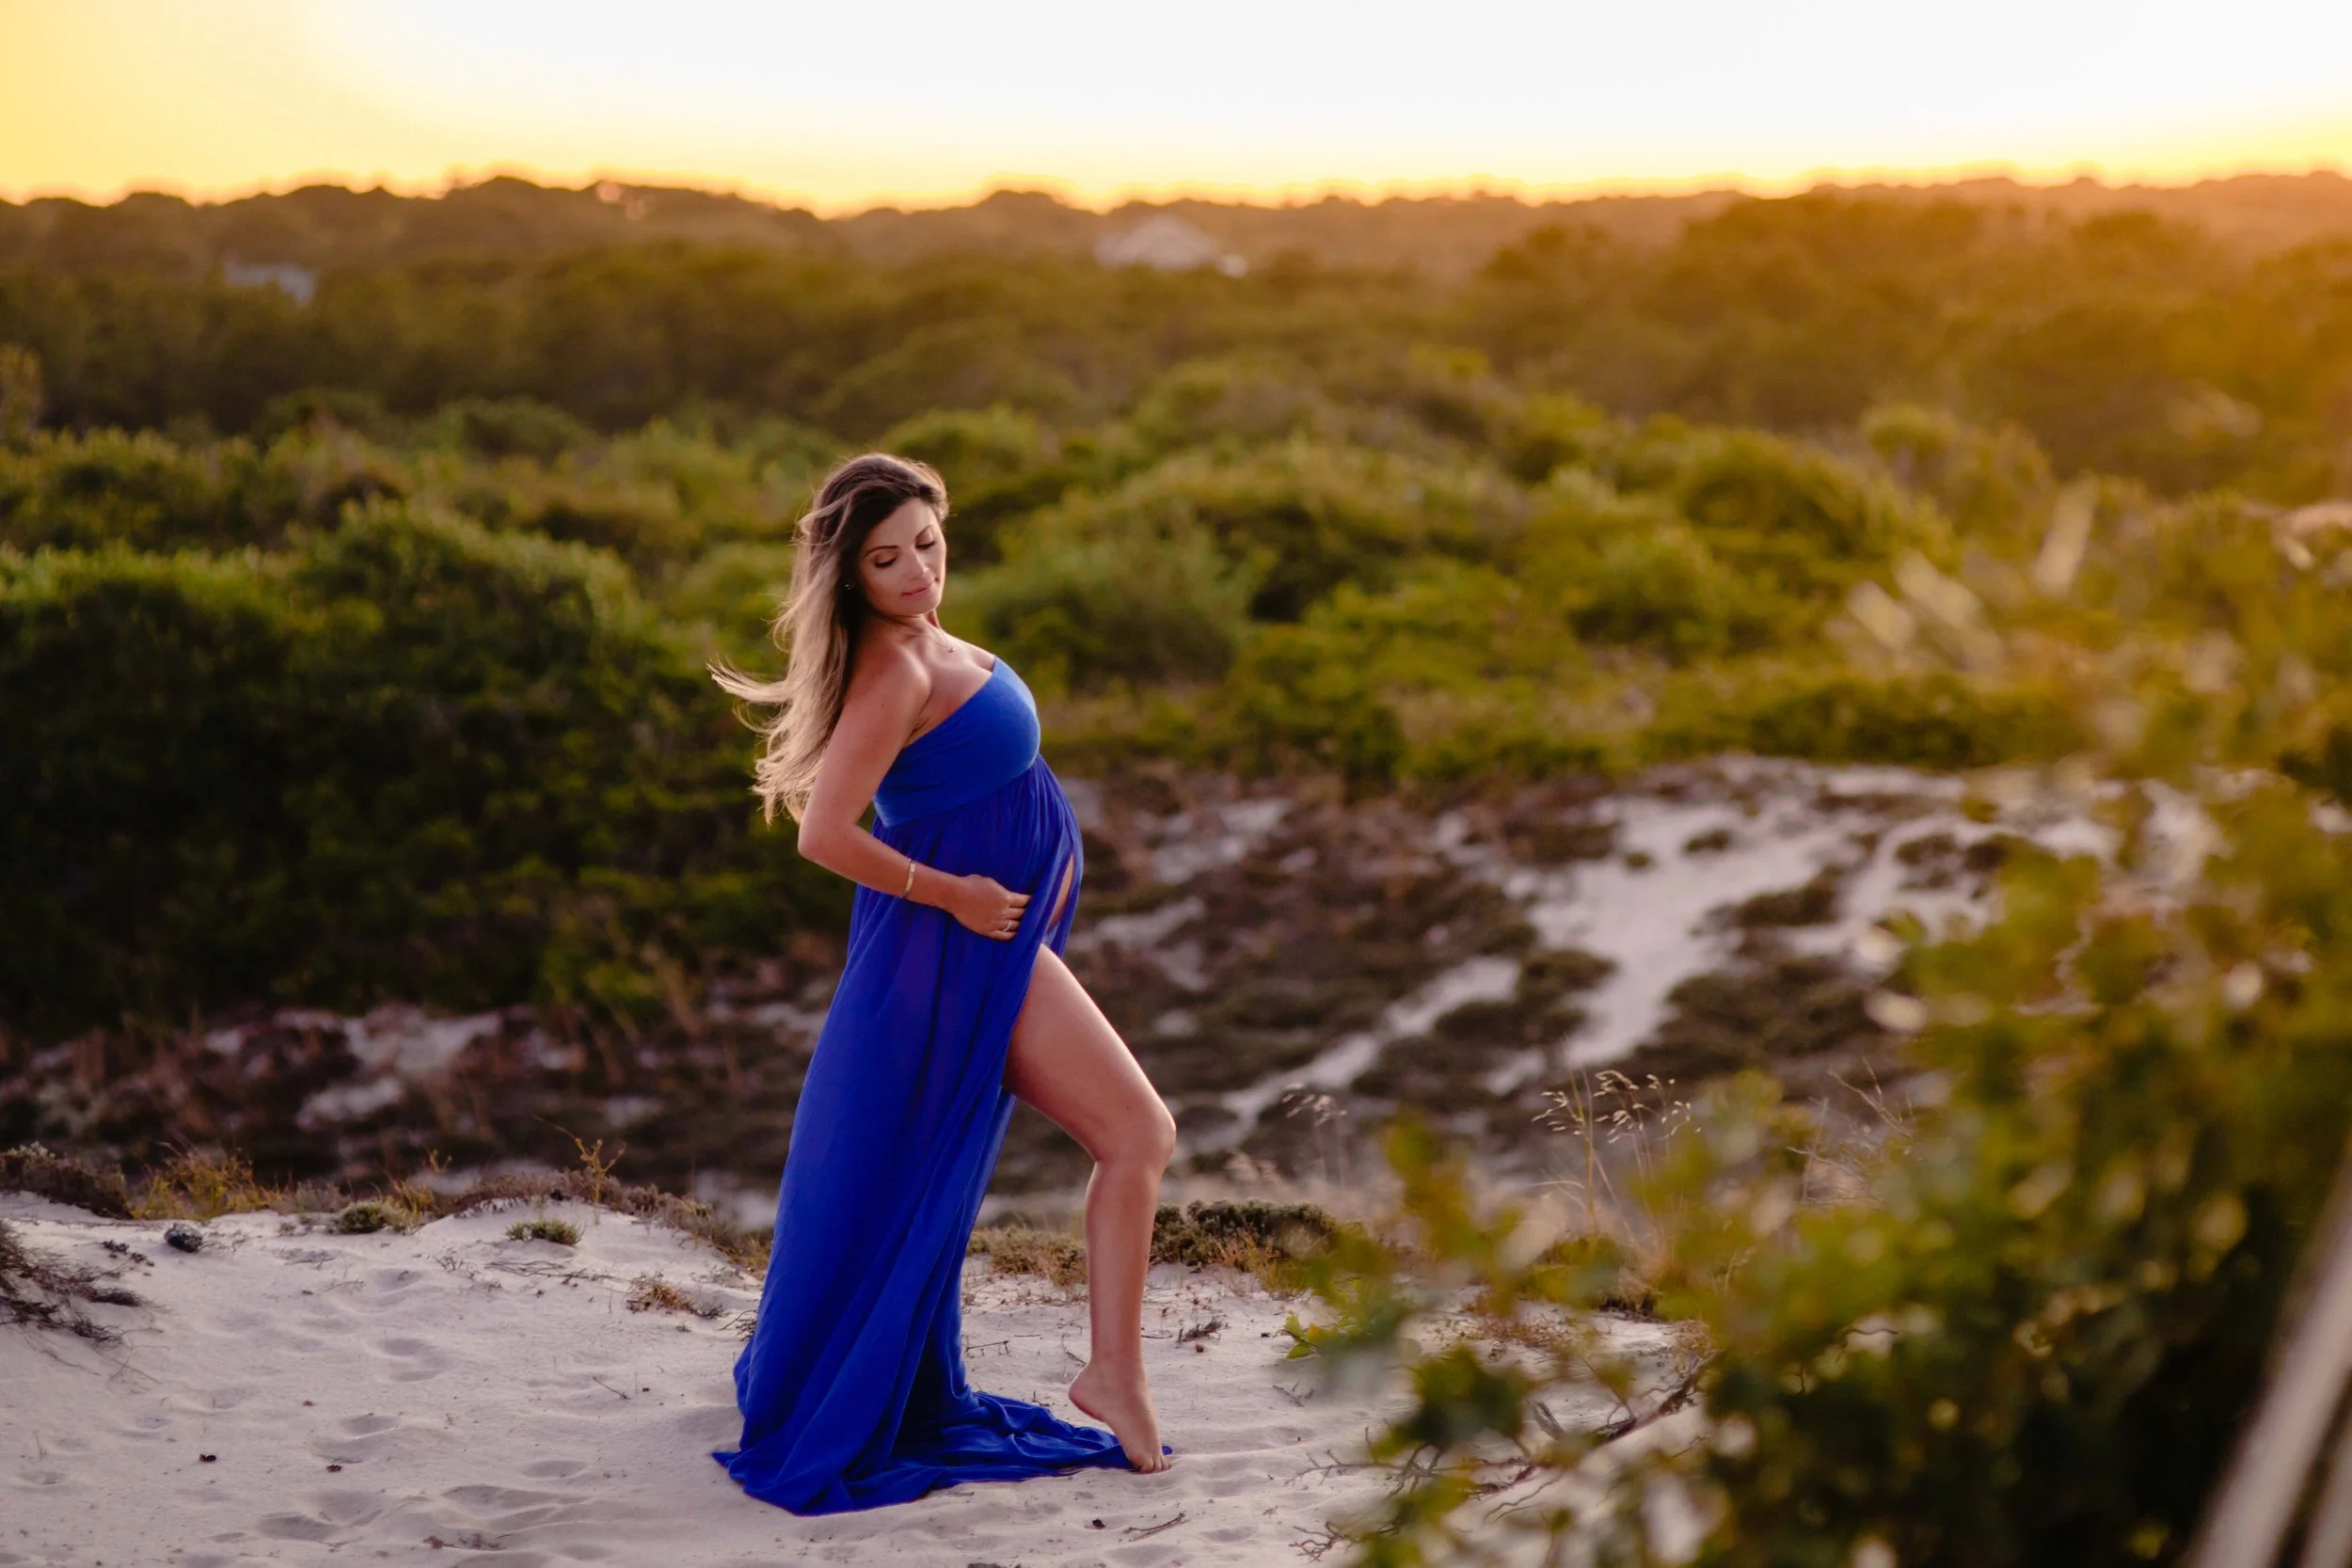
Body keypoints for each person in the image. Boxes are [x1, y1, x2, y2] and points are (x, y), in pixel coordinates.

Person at [708, 452, 1178, 1515]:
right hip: (954, 953)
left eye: (927, 542)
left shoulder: (930, 640)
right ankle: (1117, 1377)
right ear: (850, 576)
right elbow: (824, 835)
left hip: (991, 948)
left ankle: (1112, 1370)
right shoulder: (893, 672)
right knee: (1139, 1134)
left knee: (1116, 1139)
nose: (918, 571)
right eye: (887, 559)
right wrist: (954, 893)